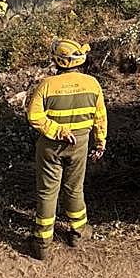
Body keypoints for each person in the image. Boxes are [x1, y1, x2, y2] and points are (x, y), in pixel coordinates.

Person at [25, 38, 107, 261]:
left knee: (47, 191)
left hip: (50, 145)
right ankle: (78, 233)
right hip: (80, 145)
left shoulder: (47, 85)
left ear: (58, 60)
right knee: (74, 188)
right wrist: (100, 143)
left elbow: (34, 116)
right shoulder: (93, 84)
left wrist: (57, 130)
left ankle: (42, 243)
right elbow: (100, 118)